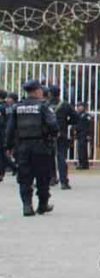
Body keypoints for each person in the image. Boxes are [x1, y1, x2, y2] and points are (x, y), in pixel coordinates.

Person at [5, 80, 58, 216]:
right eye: (40, 90)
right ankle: (42, 205)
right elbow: (53, 125)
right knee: (43, 176)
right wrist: (53, 136)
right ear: (36, 91)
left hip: (22, 147)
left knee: (25, 177)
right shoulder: (43, 107)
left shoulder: (17, 107)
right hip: (41, 146)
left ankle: (27, 206)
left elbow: (10, 129)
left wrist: (8, 146)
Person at [45, 86, 77, 190]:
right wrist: (66, 123)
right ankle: (64, 182)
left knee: (49, 157)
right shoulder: (65, 105)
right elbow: (76, 117)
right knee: (61, 157)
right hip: (61, 133)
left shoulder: (46, 105)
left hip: (48, 135)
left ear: (50, 94)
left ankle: (52, 178)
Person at [73, 102, 93, 170]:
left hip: (84, 134)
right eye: (78, 106)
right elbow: (76, 124)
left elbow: (89, 126)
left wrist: (89, 134)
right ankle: (82, 163)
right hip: (79, 134)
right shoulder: (78, 115)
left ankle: (84, 164)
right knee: (80, 149)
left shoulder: (87, 115)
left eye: (80, 106)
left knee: (83, 149)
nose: (79, 108)